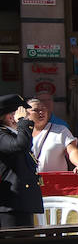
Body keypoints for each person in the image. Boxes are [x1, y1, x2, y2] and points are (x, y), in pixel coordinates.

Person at [0, 94, 42, 228]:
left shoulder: (14, 133)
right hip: (10, 206)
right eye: (23, 113)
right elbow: (20, 146)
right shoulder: (2, 135)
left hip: (22, 202)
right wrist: (23, 122)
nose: (28, 117)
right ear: (10, 117)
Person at [25, 96, 78, 175]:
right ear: (26, 114)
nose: (41, 112)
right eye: (36, 110)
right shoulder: (21, 132)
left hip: (55, 182)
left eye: (43, 109)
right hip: (30, 183)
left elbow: (72, 150)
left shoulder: (60, 130)